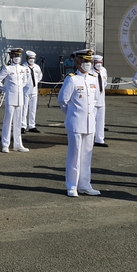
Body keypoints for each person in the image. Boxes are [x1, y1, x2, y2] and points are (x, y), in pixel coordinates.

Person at [57, 49, 101, 197]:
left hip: (90, 124)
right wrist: (71, 114)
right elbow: (63, 101)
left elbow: (94, 101)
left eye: (90, 61)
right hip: (75, 123)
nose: (88, 64)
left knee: (86, 156)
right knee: (74, 156)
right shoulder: (72, 79)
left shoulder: (94, 78)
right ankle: (72, 185)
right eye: (85, 61)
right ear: (78, 62)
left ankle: (85, 184)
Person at [0, 47, 32, 153]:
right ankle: (5, 145)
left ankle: (18, 144)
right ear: (11, 56)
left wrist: (19, 88)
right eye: (15, 56)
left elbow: (25, 81)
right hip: (11, 98)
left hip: (20, 99)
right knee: (8, 121)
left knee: (18, 122)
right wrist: (6, 89)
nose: (17, 58)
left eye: (19, 56)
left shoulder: (23, 69)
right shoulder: (7, 68)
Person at [21, 50, 43, 133]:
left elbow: (40, 76)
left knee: (33, 109)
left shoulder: (37, 67)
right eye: (30, 58)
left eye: (33, 58)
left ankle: (32, 125)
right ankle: (23, 126)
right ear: (27, 58)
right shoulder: (23, 67)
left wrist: (35, 82)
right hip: (25, 91)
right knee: (24, 109)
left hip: (34, 91)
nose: (32, 59)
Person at [92, 54, 108, 147]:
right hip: (92, 99)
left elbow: (104, 83)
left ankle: (100, 139)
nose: (99, 64)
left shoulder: (103, 70)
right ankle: (91, 138)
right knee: (92, 120)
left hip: (101, 99)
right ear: (93, 62)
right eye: (97, 62)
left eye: (100, 62)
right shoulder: (90, 71)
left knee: (101, 121)